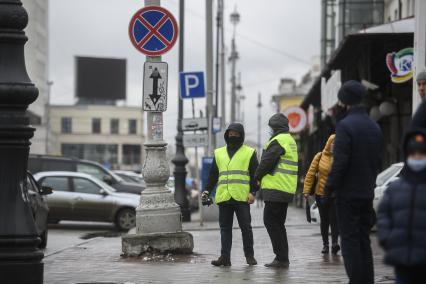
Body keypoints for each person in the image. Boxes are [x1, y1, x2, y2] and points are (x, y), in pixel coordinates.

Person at [324, 80, 383, 284]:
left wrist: (328, 190)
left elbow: (339, 163)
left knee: (349, 241)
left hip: (347, 195)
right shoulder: (374, 126)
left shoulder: (345, 126)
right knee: (363, 241)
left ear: (344, 101)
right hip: (366, 193)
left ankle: (356, 281)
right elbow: (378, 161)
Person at [202, 123, 258, 267]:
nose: (233, 136)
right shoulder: (218, 153)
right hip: (224, 197)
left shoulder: (250, 152)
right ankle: (225, 258)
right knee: (225, 229)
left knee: (246, 228)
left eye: (236, 134)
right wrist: (207, 190)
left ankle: (249, 256)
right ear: (227, 135)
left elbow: (255, 175)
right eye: (230, 133)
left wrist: (253, 192)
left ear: (241, 135)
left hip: (242, 197)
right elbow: (213, 175)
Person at [377, 129, 426, 284]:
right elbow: (384, 216)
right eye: (413, 155)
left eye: (421, 155)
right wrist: (387, 239)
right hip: (401, 258)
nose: (417, 158)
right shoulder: (395, 188)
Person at [255, 113, 298, 268]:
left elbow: (266, 162)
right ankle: (282, 257)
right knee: (278, 223)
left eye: (271, 127)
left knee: (271, 222)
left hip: (276, 189)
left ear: (276, 127)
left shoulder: (278, 141)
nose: (270, 131)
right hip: (285, 189)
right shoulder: (290, 140)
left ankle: (281, 258)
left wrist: (256, 176)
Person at [303, 134, 340, 255]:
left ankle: (335, 243)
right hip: (321, 194)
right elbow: (310, 174)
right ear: (329, 143)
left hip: (335, 194)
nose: (334, 145)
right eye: (332, 142)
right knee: (324, 220)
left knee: (334, 219)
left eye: (337, 142)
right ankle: (325, 244)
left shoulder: (341, 156)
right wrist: (306, 191)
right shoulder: (319, 156)